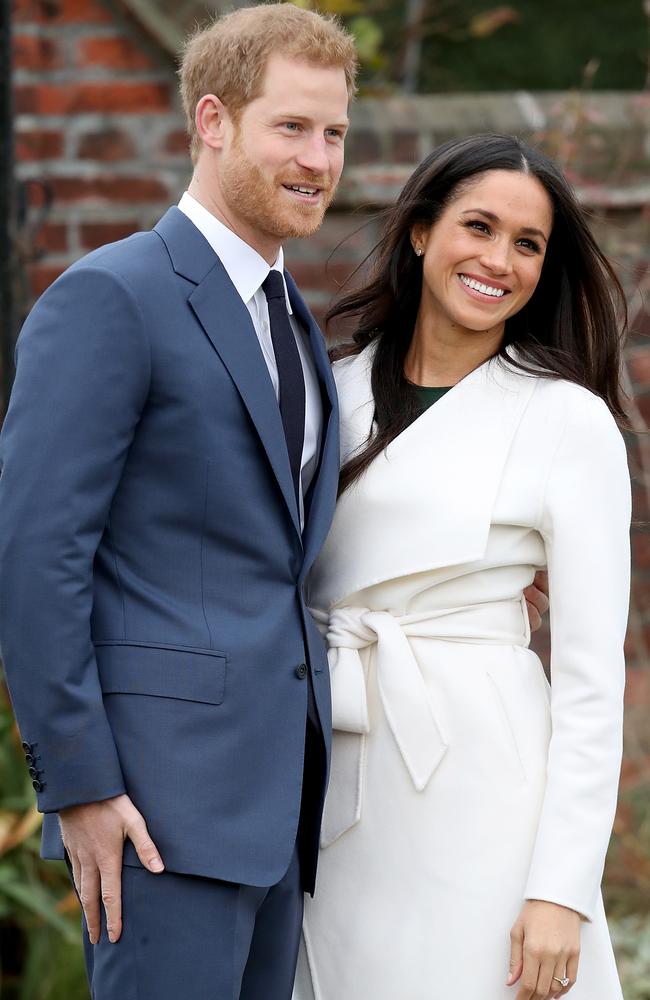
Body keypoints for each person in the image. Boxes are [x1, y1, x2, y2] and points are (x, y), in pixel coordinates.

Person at [0, 6, 356, 999]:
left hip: (277, 810)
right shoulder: (111, 296)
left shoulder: (296, 324)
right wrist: (80, 787)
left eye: (332, 132)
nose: (317, 158)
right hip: (152, 815)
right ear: (212, 121)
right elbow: (34, 557)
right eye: (290, 127)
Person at [293, 134, 630, 1000]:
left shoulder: (566, 421)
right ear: (418, 232)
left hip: (490, 792)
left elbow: (592, 685)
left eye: (527, 243)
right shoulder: (330, 391)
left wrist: (559, 889)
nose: (499, 260)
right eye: (478, 226)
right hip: (336, 776)